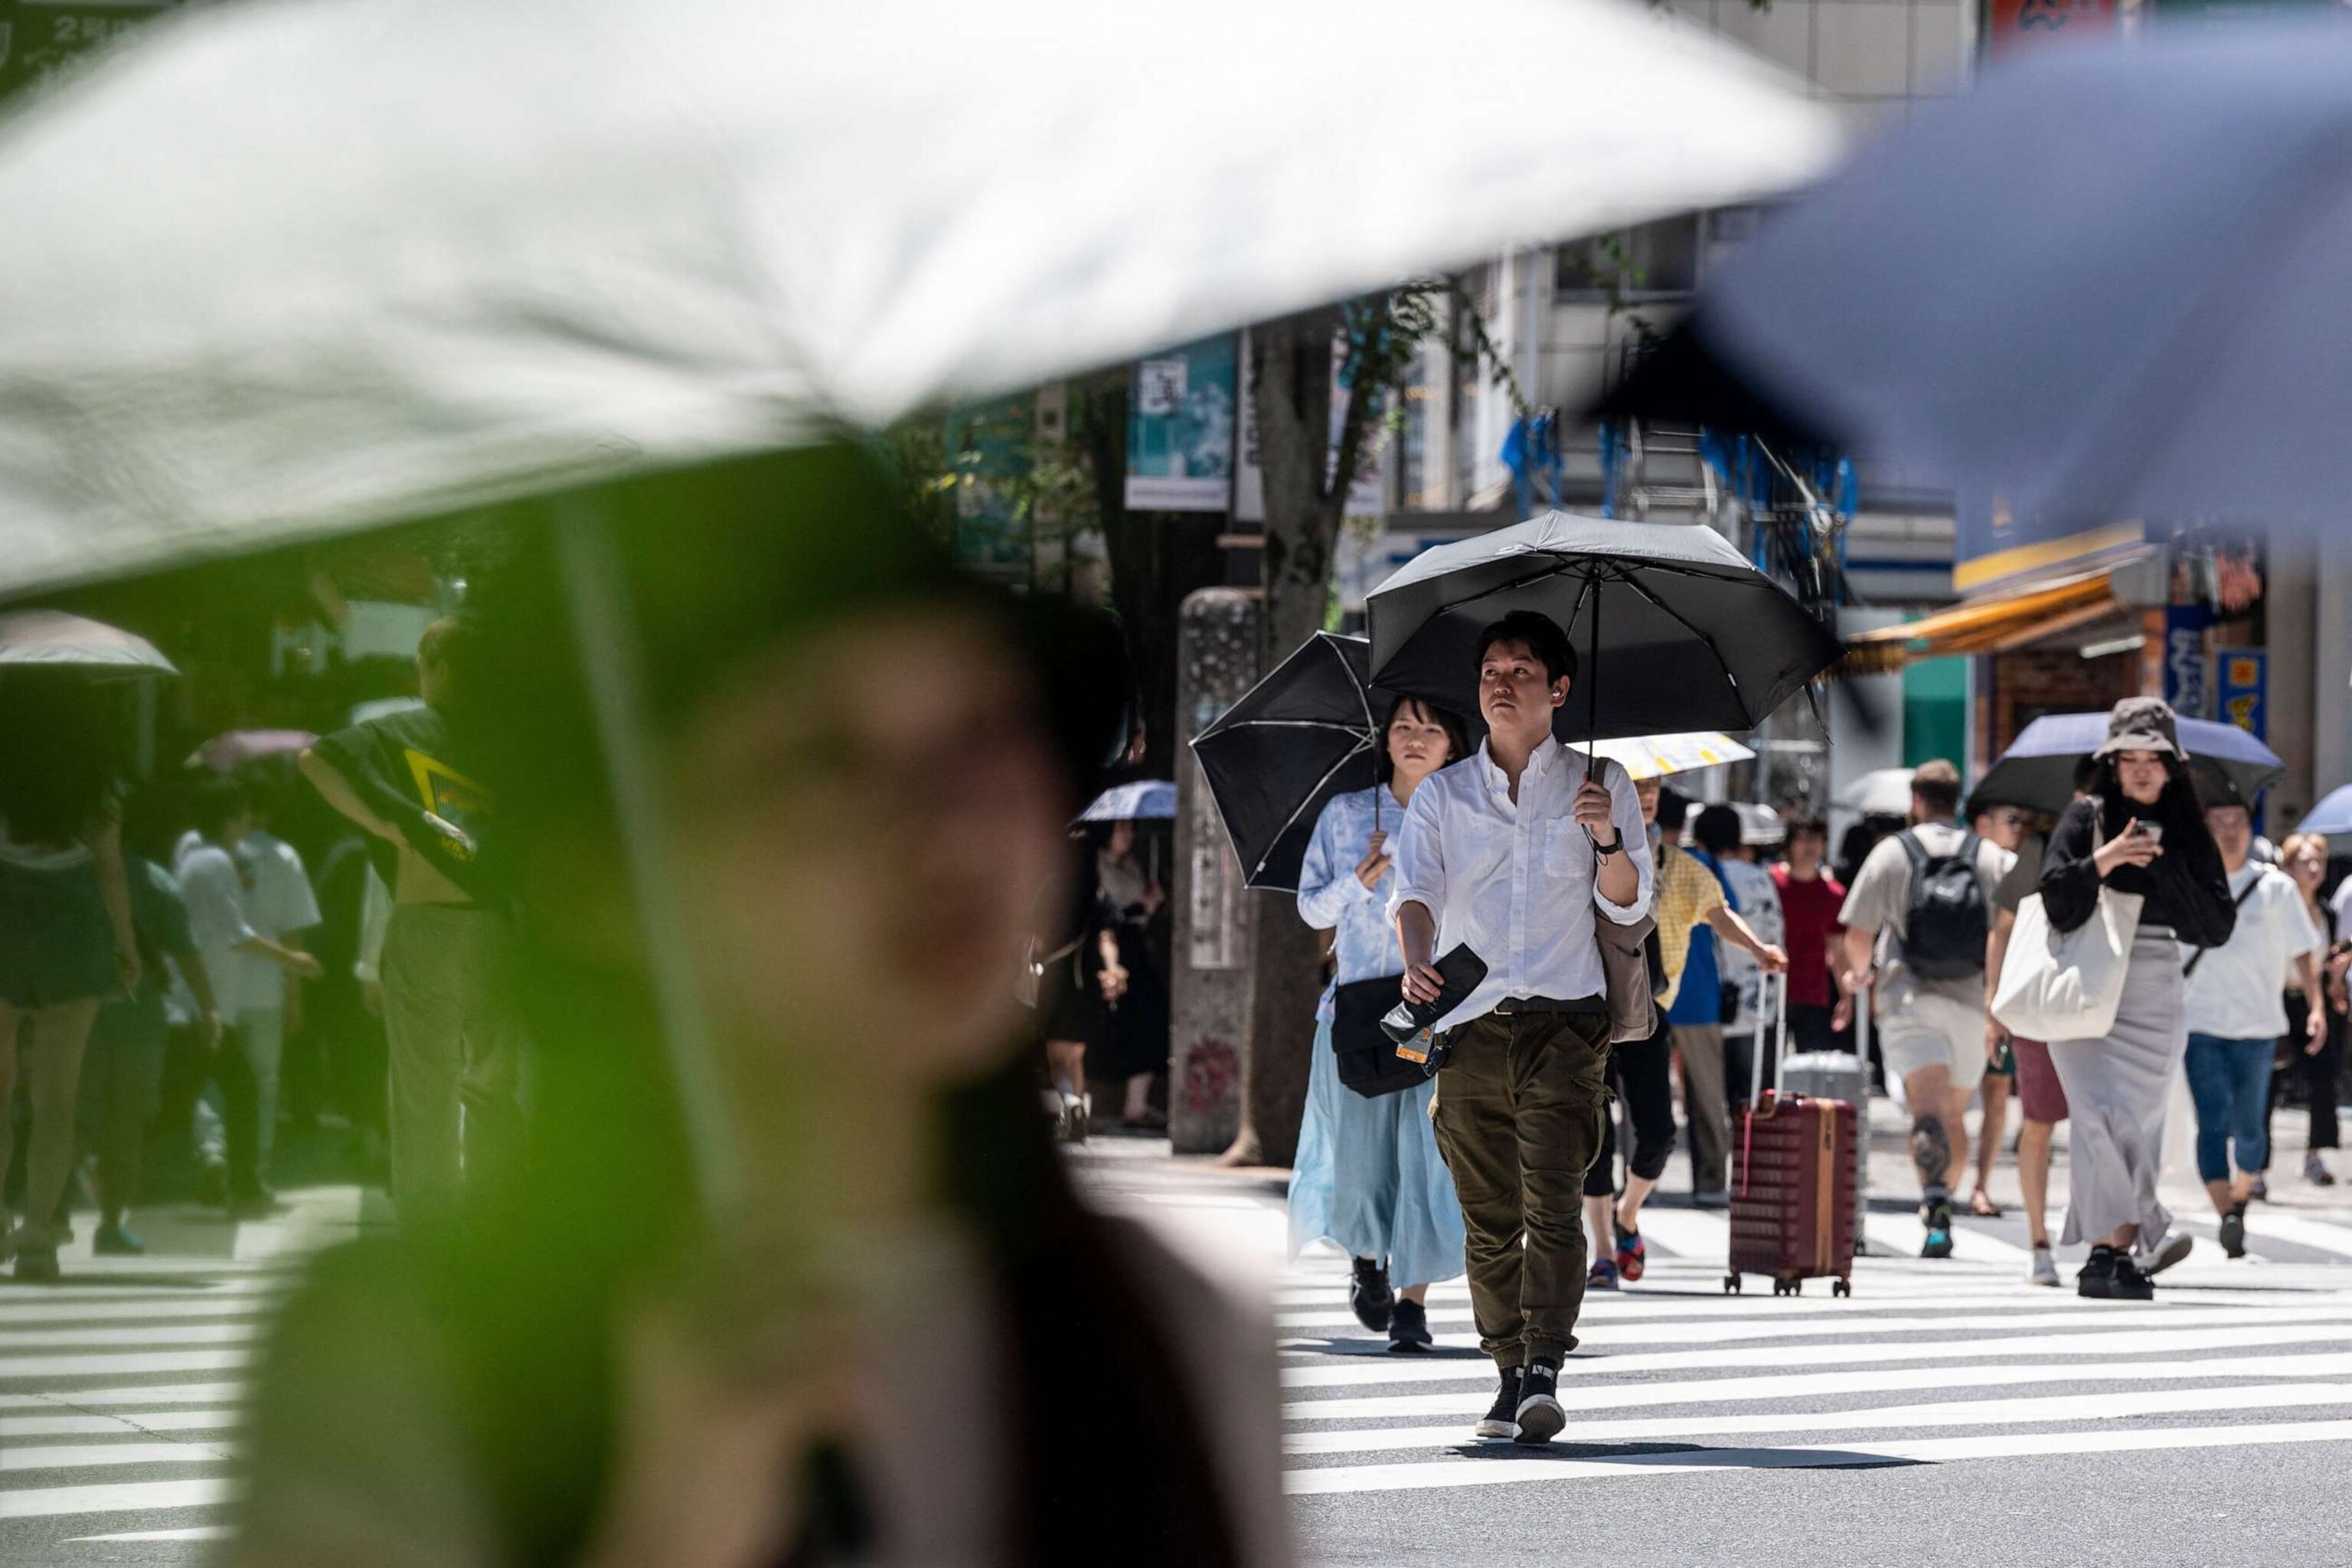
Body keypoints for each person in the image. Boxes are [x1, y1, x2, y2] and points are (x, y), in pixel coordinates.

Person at [227, 447, 1289, 1568]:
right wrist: (667, 1529)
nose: (951, 829)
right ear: (607, 879)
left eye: (982, 729)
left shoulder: (1179, 1330)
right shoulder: (388, 1365)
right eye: (824, 758)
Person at [1390, 609, 1655, 1446]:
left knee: (1552, 1202)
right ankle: (1506, 1366)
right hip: (1466, 1024)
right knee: (1487, 1214)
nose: (1502, 683)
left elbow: (1631, 900)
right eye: (1491, 671)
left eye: (1522, 671)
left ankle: (1544, 1363)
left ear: (1560, 688)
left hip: (1566, 1023)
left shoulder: (1601, 780)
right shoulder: (1444, 791)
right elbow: (1416, 889)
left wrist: (1605, 834)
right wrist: (1416, 957)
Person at [303, 616, 522, 1230]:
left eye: (423, 668)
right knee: (495, 1091)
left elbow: (315, 760)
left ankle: (431, 1240)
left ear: (439, 668)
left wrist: (385, 825)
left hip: (426, 923)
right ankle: (498, 1227)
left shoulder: (403, 729)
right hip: (502, 930)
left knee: (423, 1095)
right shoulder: (510, 740)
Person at [1289, 697, 1470, 1351]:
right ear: (1384, 740)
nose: (1415, 739)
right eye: (1403, 727)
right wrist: (1355, 882)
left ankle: (1412, 1305)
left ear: (1453, 744)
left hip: (1437, 1014)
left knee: (1430, 1157)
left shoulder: (1466, 813)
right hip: (1358, 1012)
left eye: (1430, 729)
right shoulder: (1345, 815)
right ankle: (1367, 1262)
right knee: (1363, 1161)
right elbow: (1311, 911)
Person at [2040, 698, 2236, 1300]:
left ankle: (2112, 1255)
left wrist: (2165, 867)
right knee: (2098, 1115)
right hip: (2086, 979)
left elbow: (2216, 924)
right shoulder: (2087, 817)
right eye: (2129, 758)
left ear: (2172, 766)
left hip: (2153, 979)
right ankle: (2132, 1234)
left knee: (2139, 1121)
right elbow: (2054, 898)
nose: (2142, 770)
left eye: (2153, 758)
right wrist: (2106, 859)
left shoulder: (2187, 830)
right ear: (2113, 763)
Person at [1837, 759, 2014, 1259]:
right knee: (1954, 1113)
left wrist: (1858, 975)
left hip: (1908, 996)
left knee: (1927, 1111)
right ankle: (1945, 1198)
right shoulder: (1991, 857)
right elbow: (2013, 928)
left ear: (1915, 801)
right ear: (1955, 803)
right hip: (1974, 1004)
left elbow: (1857, 933)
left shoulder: (1892, 853)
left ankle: (1933, 1199)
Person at [0, 669, 142, 1281]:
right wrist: (127, 945)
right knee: (56, 1100)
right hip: (73, 932)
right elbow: (110, 872)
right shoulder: (99, 780)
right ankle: (37, 1236)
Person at [77, 786, 226, 1255]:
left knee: (68, 1117)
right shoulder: (157, 881)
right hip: (139, 1020)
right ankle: (109, 1221)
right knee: (128, 1125)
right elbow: (186, 953)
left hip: (73, 1018)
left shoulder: (65, 877)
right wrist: (208, 1008)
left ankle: (58, 1207)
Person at [176, 776, 325, 1217]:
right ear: (231, 817)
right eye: (240, 815)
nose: (246, 823)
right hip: (222, 999)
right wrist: (295, 965)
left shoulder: (189, 852)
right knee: (247, 1086)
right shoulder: (232, 861)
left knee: (216, 1085)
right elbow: (241, 933)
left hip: (202, 995)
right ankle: (247, 1179)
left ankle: (219, 1158)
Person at [2181, 799, 2324, 1260]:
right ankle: (2227, 1215)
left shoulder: (2276, 888)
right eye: (2217, 822)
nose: (2227, 831)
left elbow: (2304, 951)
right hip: (2199, 1024)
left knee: (2249, 1129)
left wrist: (2317, 1005)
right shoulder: (2189, 884)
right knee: (2211, 1122)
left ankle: (2239, 1200)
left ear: (2250, 829)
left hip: (2259, 1026)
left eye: (2236, 822)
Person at [1984, 767, 2091, 1288]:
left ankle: (2106, 1239)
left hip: (2102, 1000)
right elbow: (2003, 929)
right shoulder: (2042, 847)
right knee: (2040, 1123)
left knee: (2104, 1125)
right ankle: (2039, 1240)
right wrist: (1993, 1008)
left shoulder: (2135, 842)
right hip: (2045, 999)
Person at [1655, 793, 1787, 1214]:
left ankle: (1641, 1179)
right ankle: (1711, 1179)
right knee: (1708, 1096)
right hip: (1700, 995)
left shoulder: (1641, 860)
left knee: (1645, 1089)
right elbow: (1725, 915)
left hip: (1649, 994)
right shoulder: (1701, 868)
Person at [1958, 797, 2031, 1219]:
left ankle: (1975, 1184)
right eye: (2011, 819)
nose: (2017, 826)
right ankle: (1966, 1184)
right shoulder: (2002, 865)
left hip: (1983, 994)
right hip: (1984, 995)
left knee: (1995, 1095)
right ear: (1984, 822)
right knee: (1987, 1096)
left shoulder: (2003, 864)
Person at [2272, 832, 2345, 1187]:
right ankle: (2255, 1168)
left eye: (2320, 861)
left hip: (2315, 1001)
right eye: (2306, 860)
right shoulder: (2275, 907)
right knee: (2267, 1083)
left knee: (2323, 1079)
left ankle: (2314, 1155)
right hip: (2277, 999)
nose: (2315, 868)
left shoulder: (2327, 911)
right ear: (2288, 866)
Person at [1090, 818, 1170, 1131]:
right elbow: (1106, 914)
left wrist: (1149, 905)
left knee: (1150, 1017)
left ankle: (1136, 1104)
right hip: (1107, 947)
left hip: (1135, 950)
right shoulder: (1097, 866)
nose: (1128, 835)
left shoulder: (1133, 864)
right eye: (1121, 829)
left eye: (1130, 829)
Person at [1714, 805, 1787, 1111]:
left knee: (1719, 1089)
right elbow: (1776, 931)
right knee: (1756, 1086)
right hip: (1759, 994)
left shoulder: (1704, 875)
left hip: (1715, 997)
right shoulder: (1760, 877)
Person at [1772, 817, 1847, 1056]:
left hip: (1813, 992)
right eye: (1803, 840)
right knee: (1769, 1073)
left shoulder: (1833, 893)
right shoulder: (1769, 881)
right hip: (1773, 990)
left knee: (1809, 1072)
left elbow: (1838, 948)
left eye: (1815, 840)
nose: (1809, 847)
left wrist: (1846, 997)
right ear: (1790, 844)